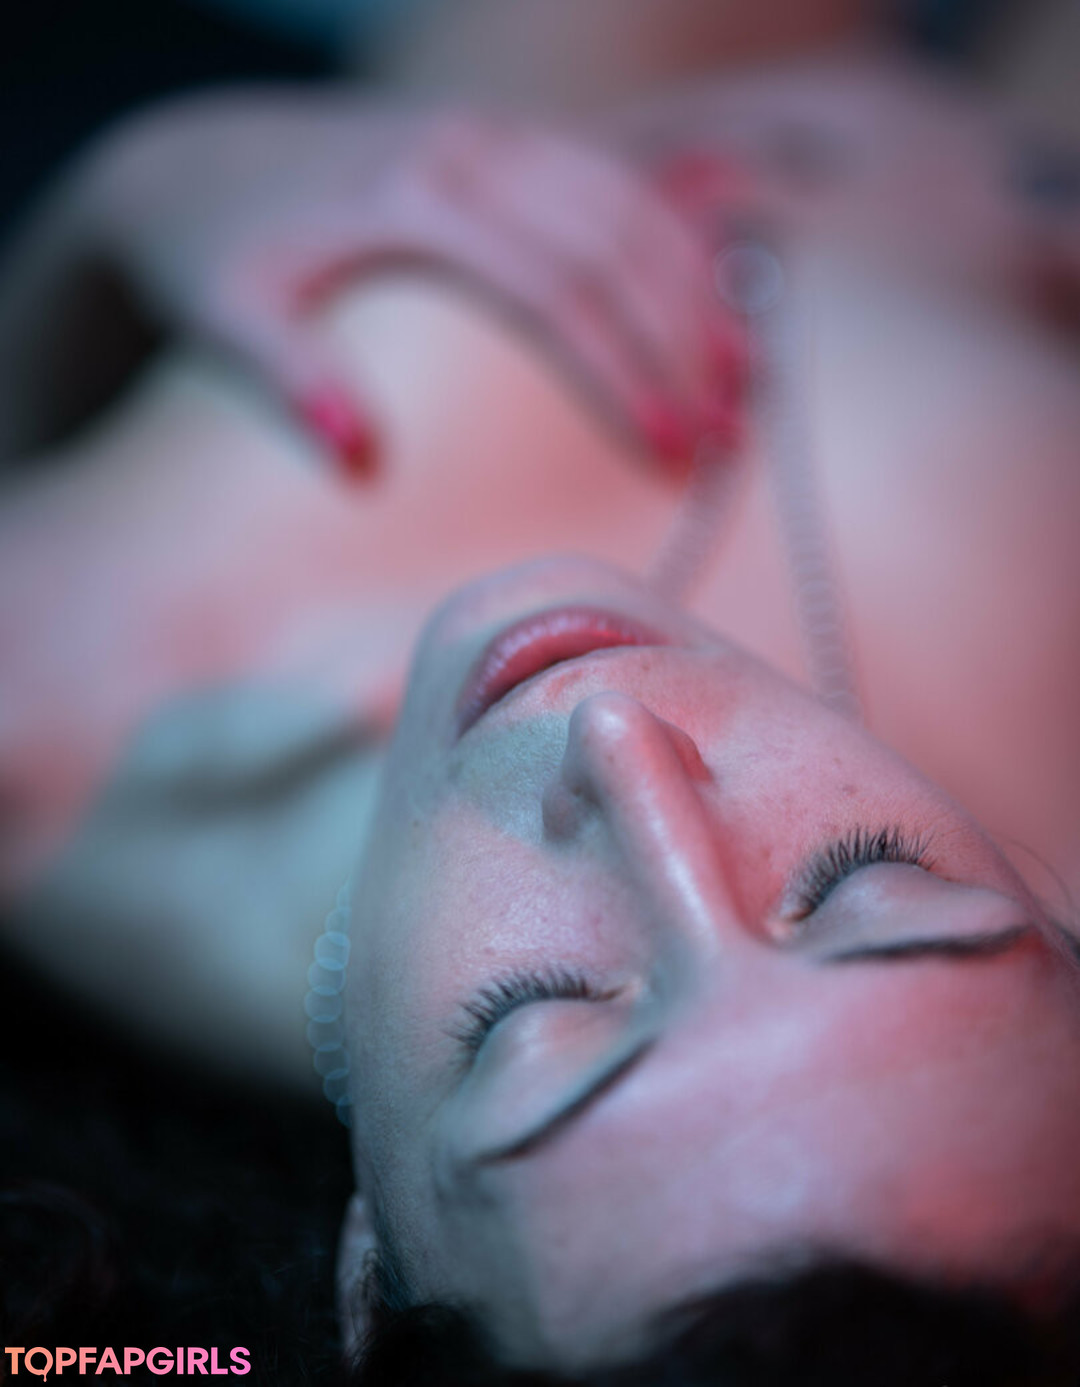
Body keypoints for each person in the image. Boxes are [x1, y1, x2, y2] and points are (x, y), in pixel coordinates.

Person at [1, 0, 1079, 1379]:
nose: (620, 742)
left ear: (371, 1269)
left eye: (533, 1024)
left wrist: (144, 191)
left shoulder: (65, 742)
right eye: (867, 884)